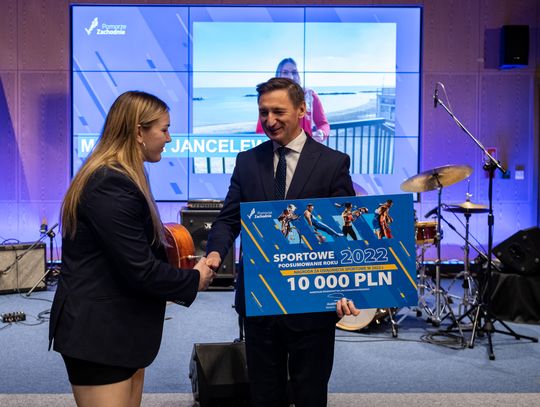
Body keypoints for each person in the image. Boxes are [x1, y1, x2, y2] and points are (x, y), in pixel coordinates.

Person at [48, 91, 215, 407]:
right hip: (98, 337)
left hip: (120, 331)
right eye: (164, 129)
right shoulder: (109, 182)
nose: (169, 138)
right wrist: (195, 279)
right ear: (139, 132)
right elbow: (141, 269)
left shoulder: (123, 176)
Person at [206, 77, 359, 407]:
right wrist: (215, 252)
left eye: (278, 111)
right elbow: (228, 219)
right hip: (260, 300)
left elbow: (345, 231)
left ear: (302, 110)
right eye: (263, 112)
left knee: (310, 394)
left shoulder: (333, 163)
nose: (270, 120)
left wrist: (349, 288)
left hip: (313, 302)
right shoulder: (247, 162)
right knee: (264, 394)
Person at [256, 58, 330, 142]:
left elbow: (323, 124)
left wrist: (321, 133)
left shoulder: (309, 95)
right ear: (278, 75)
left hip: (305, 148)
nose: (291, 76)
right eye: (285, 72)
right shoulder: (268, 98)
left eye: (294, 72)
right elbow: (261, 132)